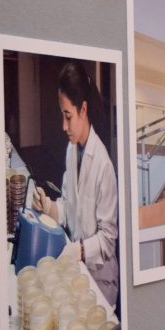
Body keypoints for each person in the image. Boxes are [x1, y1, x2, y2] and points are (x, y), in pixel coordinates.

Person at [32, 62, 119, 307]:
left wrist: (79, 250)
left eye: (68, 115)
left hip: (101, 283)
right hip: (79, 273)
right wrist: (48, 206)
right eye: (62, 115)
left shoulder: (103, 165)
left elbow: (108, 240)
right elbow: (69, 208)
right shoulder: (72, 151)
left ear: (83, 109)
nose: (64, 125)